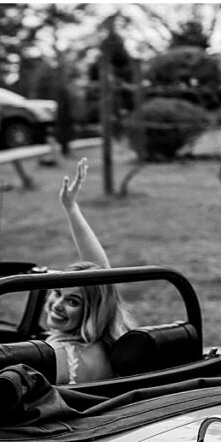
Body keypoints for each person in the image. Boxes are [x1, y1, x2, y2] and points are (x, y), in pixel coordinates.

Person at [45, 157, 135, 384]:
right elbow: (101, 276)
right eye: (57, 293)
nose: (57, 304)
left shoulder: (55, 354)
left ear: (92, 311)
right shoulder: (112, 340)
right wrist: (71, 208)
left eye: (73, 302)